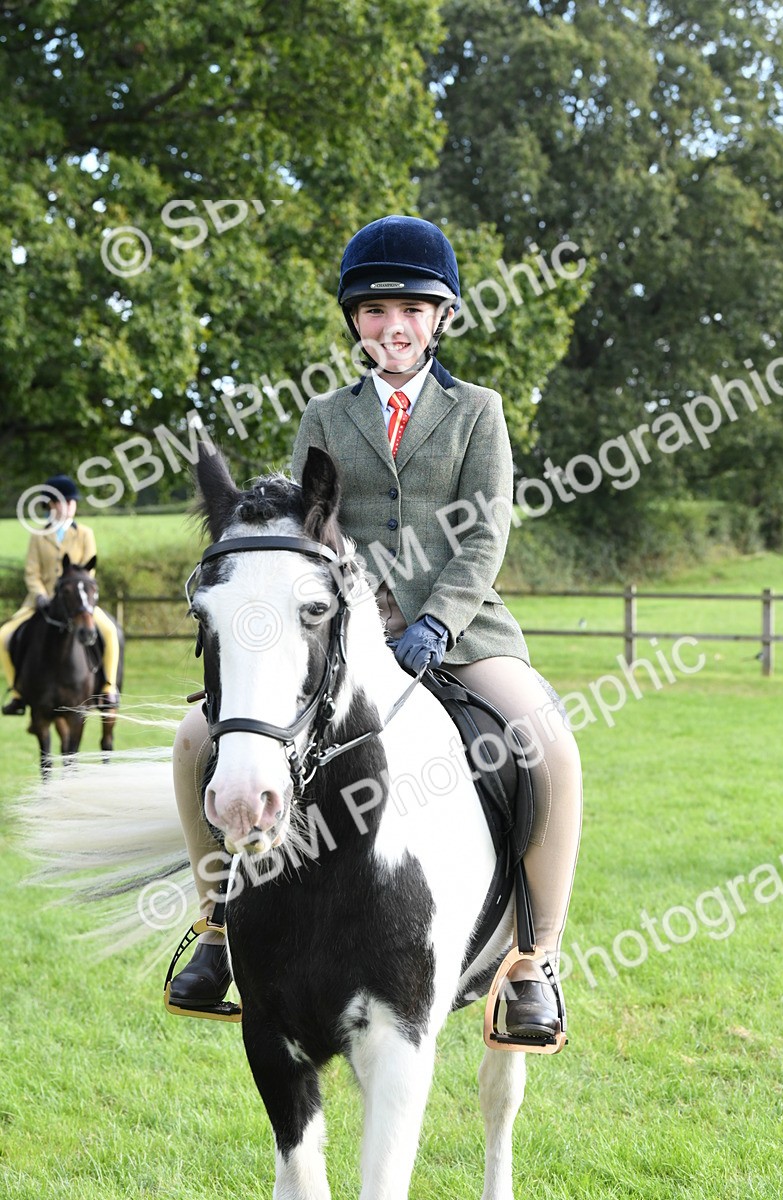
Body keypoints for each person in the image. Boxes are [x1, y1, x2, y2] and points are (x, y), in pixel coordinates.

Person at [170, 216, 582, 1042]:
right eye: (375, 311)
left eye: (412, 310)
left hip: (460, 630)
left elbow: (485, 534)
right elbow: (302, 530)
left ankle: (533, 961)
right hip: (345, 637)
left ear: (442, 318)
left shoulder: (479, 411)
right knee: (192, 739)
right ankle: (215, 926)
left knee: (549, 744)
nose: (394, 326)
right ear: (355, 321)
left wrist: (435, 621)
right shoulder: (326, 413)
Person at [0, 474, 121, 715]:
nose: (71, 505)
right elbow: (32, 572)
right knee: (3, 636)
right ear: (52, 505)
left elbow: (88, 570)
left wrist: (77, 593)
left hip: (77, 601)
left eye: (72, 501)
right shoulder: (38, 536)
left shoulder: (84, 533)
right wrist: (40, 595)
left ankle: (108, 687)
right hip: (40, 601)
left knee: (110, 631)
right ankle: (16, 693)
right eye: (66, 501)